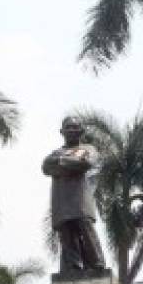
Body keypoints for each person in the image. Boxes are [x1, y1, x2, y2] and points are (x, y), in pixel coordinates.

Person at [42, 116, 107, 274]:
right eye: (68, 128)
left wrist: (61, 162)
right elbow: (46, 168)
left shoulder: (88, 149)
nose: (71, 131)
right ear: (62, 132)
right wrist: (72, 162)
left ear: (81, 131)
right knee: (67, 233)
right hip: (61, 199)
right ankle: (73, 267)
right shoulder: (55, 153)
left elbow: (86, 163)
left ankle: (97, 263)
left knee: (85, 227)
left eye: (75, 127)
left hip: (80, 198)